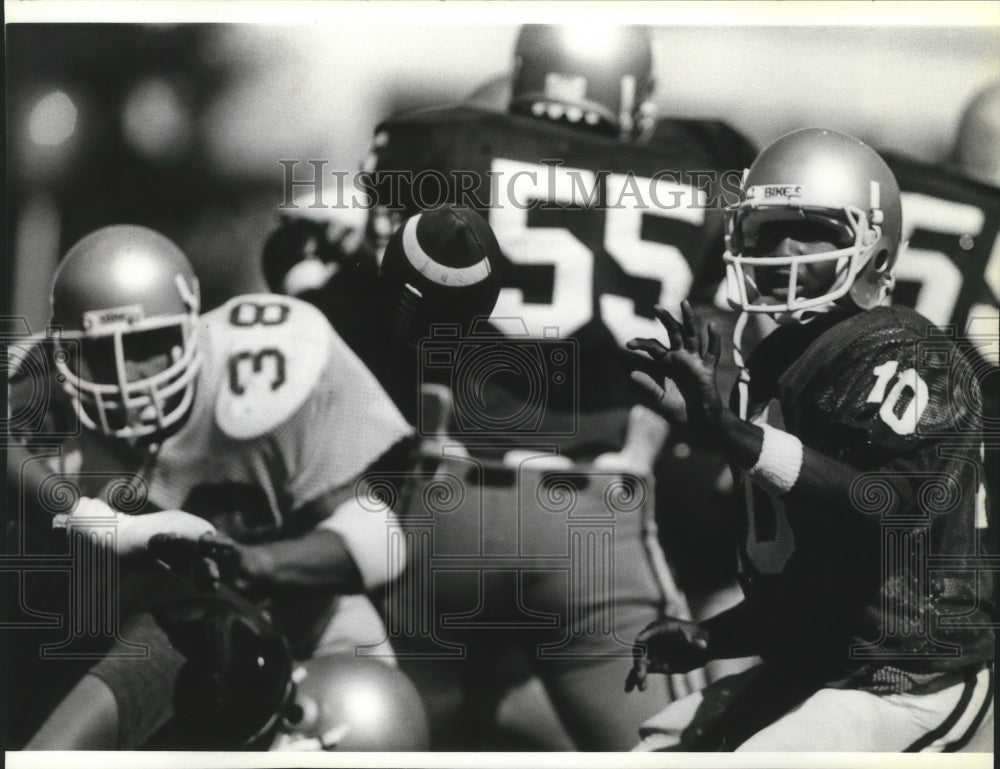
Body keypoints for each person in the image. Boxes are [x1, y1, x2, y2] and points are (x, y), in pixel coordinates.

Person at [264, 24, 756, 750]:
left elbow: (369, 333)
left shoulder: (441, 148)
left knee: (363, 724)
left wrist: (320, 273)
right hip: (593, 513)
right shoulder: (705, 166)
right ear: (630, 91)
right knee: (675, 746)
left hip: (436, 500)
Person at [626, 128, 994, 751]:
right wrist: (713, 638)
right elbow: (820, 580)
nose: (783, 246)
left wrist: (732, 433)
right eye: (765, 228)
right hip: (822, 667)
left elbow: (886, 508)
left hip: (907, 678)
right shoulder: (777, 361)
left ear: (873, 248)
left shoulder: (901, 346)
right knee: (656, 749)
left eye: (811, 229)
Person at [9, 224, 421, 749]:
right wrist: (95, 522)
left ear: (190, 327)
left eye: (146, 345)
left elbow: (376, 538)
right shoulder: (39, 392)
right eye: (98, 352)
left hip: (295, 630)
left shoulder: (261, 371)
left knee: (373, 725)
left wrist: (250, 562)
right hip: (131, 640)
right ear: (64, 352)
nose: (128, 377)